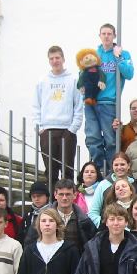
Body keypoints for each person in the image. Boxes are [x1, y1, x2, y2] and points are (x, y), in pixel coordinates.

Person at [84, 24, 134, 171]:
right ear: (99, 35)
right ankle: (100, 169)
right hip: (91, 102)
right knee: (93, 138)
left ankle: (112, 171)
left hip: (109, 102)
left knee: (111, 140)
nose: (106, 36)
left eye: (109, 33)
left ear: (114, 36)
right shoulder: (93, 54)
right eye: (104, 33)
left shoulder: (123, 53)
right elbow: (84, 73)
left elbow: (129, 74)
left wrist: (118, 58)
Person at [33, 45, 82, 185]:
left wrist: (73, 129)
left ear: (63, 59)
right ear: (49, 61)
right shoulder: (42, 81)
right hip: (47, 129)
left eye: (57, 58)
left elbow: (78, 105)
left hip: (67, 129)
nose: (55, 61)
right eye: (52, 58)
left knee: (67, 170)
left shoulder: (73, 80)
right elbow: (36, 105)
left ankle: (68, 201)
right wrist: (39, 128)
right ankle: (52, 203)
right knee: (50, 171)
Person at [88, 152, 135, 227]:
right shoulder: (103, 185)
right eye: (116, 165)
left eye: (122, 164)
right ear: (112, 166)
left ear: (128, 165)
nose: (119, 167)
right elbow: (93, 212)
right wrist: (105, 225)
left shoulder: (135, 184)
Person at [18, 181, 51, 246]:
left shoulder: (54, 213)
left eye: (39, 196)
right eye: (33, 196)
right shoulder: (28, 215)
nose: (36, 199)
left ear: (46, 196)